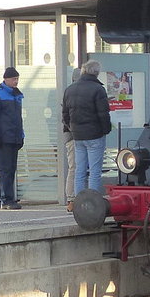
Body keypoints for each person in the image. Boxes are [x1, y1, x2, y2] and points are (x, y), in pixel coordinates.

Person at [62, 60, 111, 200]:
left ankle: (79, 202)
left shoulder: (70, 89)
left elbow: (65, 115)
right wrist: (105, 130)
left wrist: (73, 129)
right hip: (95, 135)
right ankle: (93, 201)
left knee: (79, 171)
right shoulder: (98, 89)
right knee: (95, 172)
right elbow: (103, 114)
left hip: (77, 136)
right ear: (96, 73)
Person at [0, 67, 25, 210]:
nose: (16, 82)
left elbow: (18, 119)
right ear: (6, 79)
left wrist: (21, 136)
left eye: (17, 79)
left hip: (14, 137)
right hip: (3, 138)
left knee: (10, 169)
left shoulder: (16, 96)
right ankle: (7, 200)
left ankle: (0, 198)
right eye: (14, 79)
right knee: (5, 170)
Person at [61, 66, 81, 210]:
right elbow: (66, 117)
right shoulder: (75, 93)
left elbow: (64, 117)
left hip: (72, 135)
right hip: (75, 135)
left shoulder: (68, 92)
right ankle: (72, 198)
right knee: (75, 166)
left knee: (74, 167)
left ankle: (72, 199)